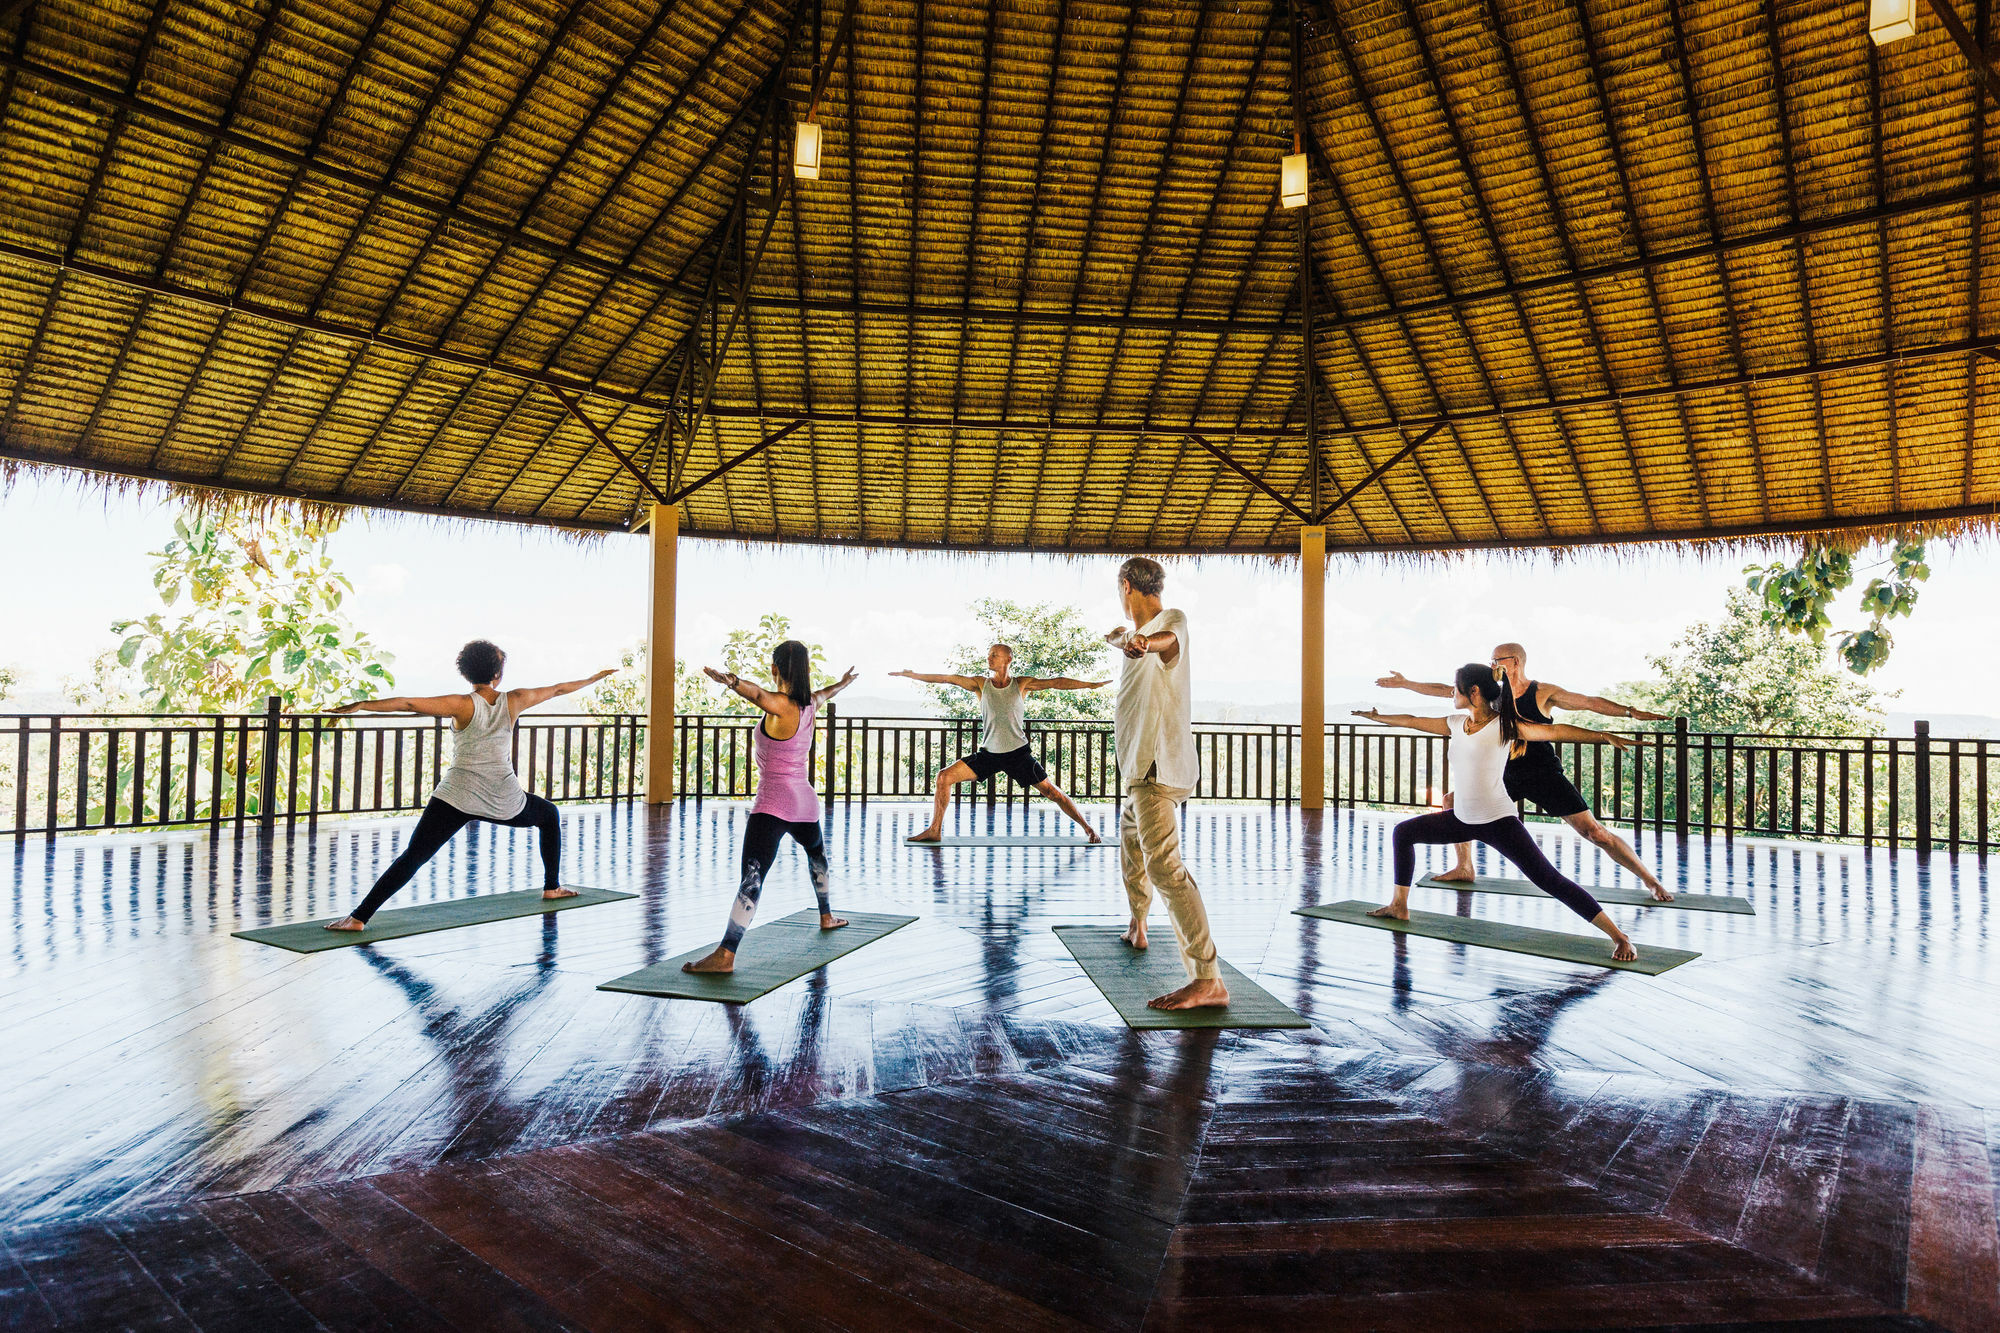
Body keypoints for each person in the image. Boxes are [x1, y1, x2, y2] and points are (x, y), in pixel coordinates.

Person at [1355, 663, 1641, 962]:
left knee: (1548, 879)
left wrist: (1601, 736)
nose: (1452, 692)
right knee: (1403, 833)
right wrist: (1377, 718)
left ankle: (1620, 937)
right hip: (1462, 819)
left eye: (1456, 687)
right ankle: (1399, 906)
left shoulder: (1504, 726)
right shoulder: (1455, 723)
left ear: (1473, 692)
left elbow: (1554, 730)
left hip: (1498, 822)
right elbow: (1413, 721)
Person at [322, 642, 615, 931]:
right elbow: (559, 689)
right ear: (498, 673)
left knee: (414, 856)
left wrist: (360, 706)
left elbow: (408, 703)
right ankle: (552, 887)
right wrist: (593, 679)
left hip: (457, 795)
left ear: (466, 673)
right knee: (548, 814)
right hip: (503, 797)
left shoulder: (461, 704)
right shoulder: (516, 699)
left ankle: (359, 917)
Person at [1377, 641, 1674, 900]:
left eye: (1497, 660)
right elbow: (1446, 690)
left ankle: (1650, 880)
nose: (1492, 664)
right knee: (1452, 801)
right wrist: (1407, 683)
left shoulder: (1542, 692)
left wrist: (1629, 712)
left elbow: (1588, 702)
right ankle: (1464, 867)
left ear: (1515, 662)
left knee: (1595, 833)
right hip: (1506, 775)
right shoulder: (1492, 693)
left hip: (1543, 774)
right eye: (1490, 660)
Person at [680, 641, 859, 974]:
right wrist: (844, 683)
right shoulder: (810, 704)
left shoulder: (781, 704)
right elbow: (825, 693)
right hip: (805, 802)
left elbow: (758, 695)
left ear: (776, 669)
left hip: (773, 804)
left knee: (752, 876)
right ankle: (826, 916)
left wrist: (732, 682)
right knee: (817, 855)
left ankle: (725, 955)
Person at [1105, 556, 1229, 1011]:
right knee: (1132, 848)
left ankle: (1207, 977)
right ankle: (1138, 924)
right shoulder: (1132, 635)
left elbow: (1167, 640)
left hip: (1156, 767)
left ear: (1126, 586)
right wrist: (1123, 638)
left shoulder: (1169, 621)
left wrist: (1141, 641)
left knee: (1165, 869)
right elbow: (1126, 636)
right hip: (1139, 768)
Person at [892, 644, 1110, 843]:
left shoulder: (1021, 684)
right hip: (989, 754)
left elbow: (1056, 682)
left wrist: (1089, 685)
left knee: (1052, 793)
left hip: (1018, 755)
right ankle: (935, 830)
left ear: (1008, 659)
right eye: (988, 655)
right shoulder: (980, 684)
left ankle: (1088, 829)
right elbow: (948, 678)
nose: (989, 658)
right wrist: (913, 675)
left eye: (994, 655)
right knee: (944, 777)